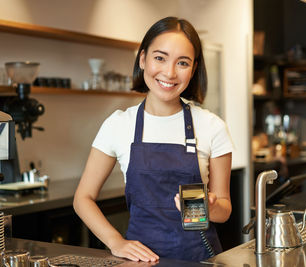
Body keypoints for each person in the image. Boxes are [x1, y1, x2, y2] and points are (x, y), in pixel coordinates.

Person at [73, 16, 233, 263]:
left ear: (193, 69)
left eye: (182, 62)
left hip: (199, 258)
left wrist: (212, 207)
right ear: (143, 59)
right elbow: (82, 198)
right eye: (160, 58)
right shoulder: (119, 124)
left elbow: (224, 210)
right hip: (140, 261)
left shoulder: (212, 126)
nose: (169, 72)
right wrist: (115, 242)